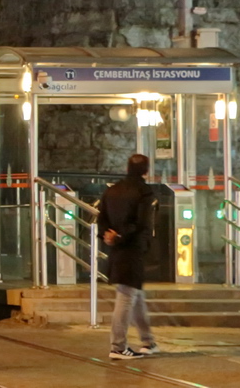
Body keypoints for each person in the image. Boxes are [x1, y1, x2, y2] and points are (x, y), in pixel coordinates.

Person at [98, 153, 157, 360]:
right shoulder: (144, 192)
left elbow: (102, 217)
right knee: (126, 296)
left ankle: (147, 340)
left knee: (135, 294)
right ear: (146, 171)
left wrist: (108, 235)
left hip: (115, 249)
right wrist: (121, 236)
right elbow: (141, 224)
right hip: (133, 249)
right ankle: (118, 346)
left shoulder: (111, 191)